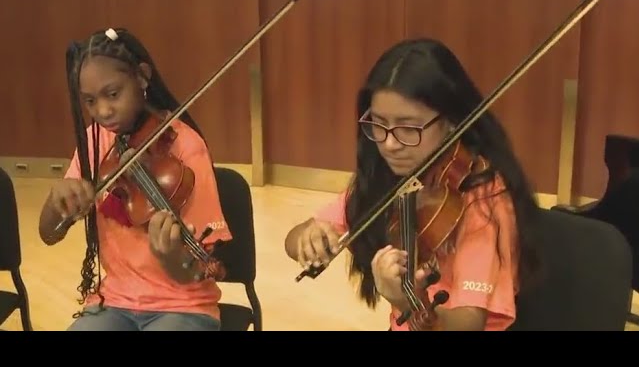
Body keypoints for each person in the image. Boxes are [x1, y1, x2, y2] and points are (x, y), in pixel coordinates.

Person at [284, 38, 541, 331]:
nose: (390, 144)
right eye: (379, 124)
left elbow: (469, 324)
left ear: (452, 122)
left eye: (408, 128)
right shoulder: (394, 175)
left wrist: (408, 302)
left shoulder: (482, 195)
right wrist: (308, 236)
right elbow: (293, 240)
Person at [38, 27, 232, 331]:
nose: (102, 110)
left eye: (113, 94)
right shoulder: (93, 142)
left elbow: (194, 273)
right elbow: (48, 235)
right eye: (89, 101)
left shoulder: (185, 145)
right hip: (113, 302)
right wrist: (55, 202)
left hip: (182, 307)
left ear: (141, 77)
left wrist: (169, 256)